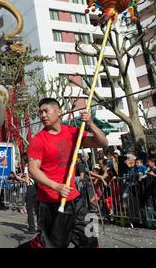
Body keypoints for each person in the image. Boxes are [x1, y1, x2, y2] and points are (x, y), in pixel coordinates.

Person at [19, 98, 108, 248]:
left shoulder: (73, 133)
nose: (43, 115)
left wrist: (91, 123)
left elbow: (102, 143)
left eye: (46, 111)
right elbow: (33, 170)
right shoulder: (38, 140)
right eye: (40, 112)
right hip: (51, 202)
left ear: (59, 111)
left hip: (76, 200)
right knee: (52, 245)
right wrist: (56, 186)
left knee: (90, 240)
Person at [24, 159, 37, 234]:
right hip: (36, 188)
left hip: (30, 188)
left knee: (29, 209)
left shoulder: (27, 167)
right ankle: (40, 227)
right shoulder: (35, 166)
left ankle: (32, 228)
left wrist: (20, 178)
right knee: (37, 209)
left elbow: (26, 180)